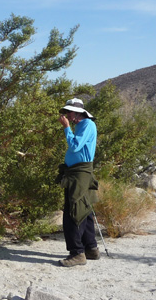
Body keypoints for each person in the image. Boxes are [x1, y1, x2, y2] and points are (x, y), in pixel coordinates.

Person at [57, 98, 100, 267]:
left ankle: (77, 253)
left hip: (80, 173)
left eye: (69, 112)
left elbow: (75, 146)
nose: (67, 115)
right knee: (84, 210)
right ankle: (91, 248)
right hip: (76, 172)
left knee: (74, 211)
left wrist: (67, 128)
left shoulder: (87, 125)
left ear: (77, 112)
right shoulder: (82, 126)